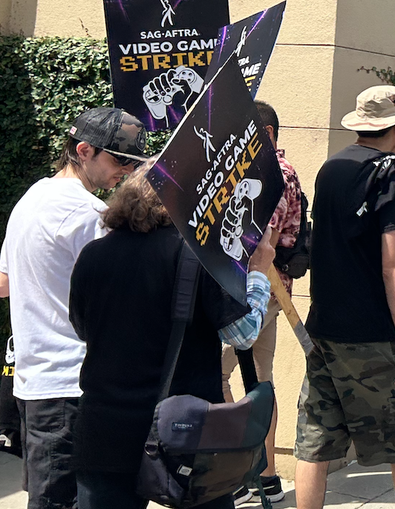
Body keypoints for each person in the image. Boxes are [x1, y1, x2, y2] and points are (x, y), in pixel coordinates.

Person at [69, 168, 274, 509]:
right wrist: (257, 275)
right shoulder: (196, 257)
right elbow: (243, 334)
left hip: (105, 430)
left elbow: (82, 328)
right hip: (186, 432)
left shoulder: (93, 254)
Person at [0, 107, 145, 509]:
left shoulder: (31, 198)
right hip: (74, 385)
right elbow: (125, 299)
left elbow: (5, 282)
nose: (127, 172)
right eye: (119, 160)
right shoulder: (89, 215)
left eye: (133, 163)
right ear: (84, 150)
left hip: (35, 384)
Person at [295, 86, 395, 509]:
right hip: (372, 331)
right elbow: (394, 264)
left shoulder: (330, 168)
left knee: (315, 440)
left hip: (324, 326)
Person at [221, 100, 302, 505]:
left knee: (212, 374)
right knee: (262, 384)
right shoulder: (283, 172)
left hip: (251, 290)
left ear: (265, 134)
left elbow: (260, 241)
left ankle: (238, 469)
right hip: (272, 291)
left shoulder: (269, 173)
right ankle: (267, 475)